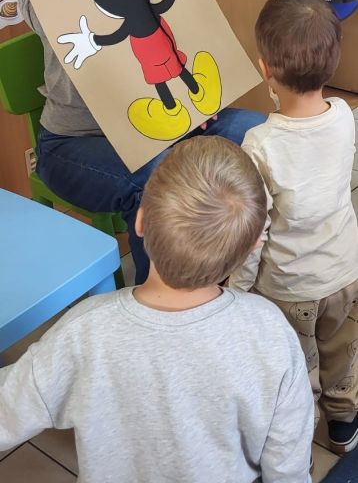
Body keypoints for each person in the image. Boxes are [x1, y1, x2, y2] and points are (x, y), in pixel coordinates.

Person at [16, 0, 265, 283]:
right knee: (162, 185)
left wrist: (198, 105)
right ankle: (163, 305)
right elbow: (48, 17)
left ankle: (249, 278)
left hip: (164, 124)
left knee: (263, 135)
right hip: (78, 141)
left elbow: (179, 21)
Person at [0, 136, 314, 483]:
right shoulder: (269, 331)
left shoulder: (82, 332)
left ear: (140, 221)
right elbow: (288, 466)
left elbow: (6, 413)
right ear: (251, 248)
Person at [230, 0, 358, 454]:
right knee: (342, 351)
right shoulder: (345, 116)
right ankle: (343, 423)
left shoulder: (260, 143)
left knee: (297, 364)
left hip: (289, 286)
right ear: (333, 62)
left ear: (265, 69)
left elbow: (255, 231)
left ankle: (298, 436)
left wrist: (238, 288)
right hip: (344, 272)